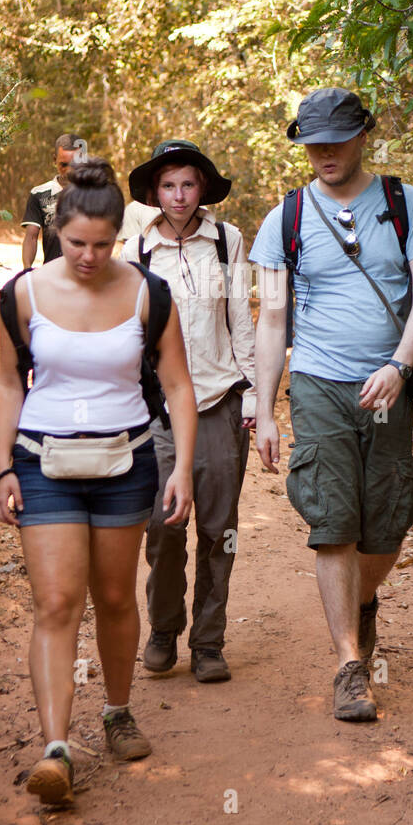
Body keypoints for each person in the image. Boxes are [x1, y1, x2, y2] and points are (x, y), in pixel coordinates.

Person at [0, 157, 197, 804]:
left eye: (103, 245)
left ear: (120, 237)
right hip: (42, 463)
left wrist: (183, 468)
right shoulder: (23, 293)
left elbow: (178, 385)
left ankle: (116, 710)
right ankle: (55, 748)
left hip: (125, 460)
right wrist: (0, 467)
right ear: (58, 232)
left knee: (113, 599)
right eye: (77, 243)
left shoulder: (146, 293)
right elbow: (6, 384)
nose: (89, 256)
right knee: (56, 604)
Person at [249, 88, 413, 722]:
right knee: (333, 521)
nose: (325, 152)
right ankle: (348, 665)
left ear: (363, 135)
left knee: (387, 518)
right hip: (317, 383)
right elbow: (272, 317)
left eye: (336, 139)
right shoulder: (286, 218)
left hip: (387, 384)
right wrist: (265, 404)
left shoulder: (403, 202)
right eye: (313, 143)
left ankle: (361, 603)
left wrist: (399, 366)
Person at [122, 139, 255, 683]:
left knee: (219, 529)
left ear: (203, 188)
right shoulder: (133, 251)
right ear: (155, 193)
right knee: (163, 525)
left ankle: (208, 642)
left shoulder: (226, 241)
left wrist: (253, 395)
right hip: (155, 410)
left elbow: (243, 318)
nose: (179, 195)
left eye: (188, 184)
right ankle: (163, 628)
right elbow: (124, 331)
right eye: (169, 185)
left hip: (219, 402)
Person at [21, 134, 88, 267]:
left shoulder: (95, 193)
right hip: (52, 272)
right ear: (54, 160)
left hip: (86, 272)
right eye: (64, 165)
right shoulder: (39, 194)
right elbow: (31, 236)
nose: (69, 170)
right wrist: (27, 270)